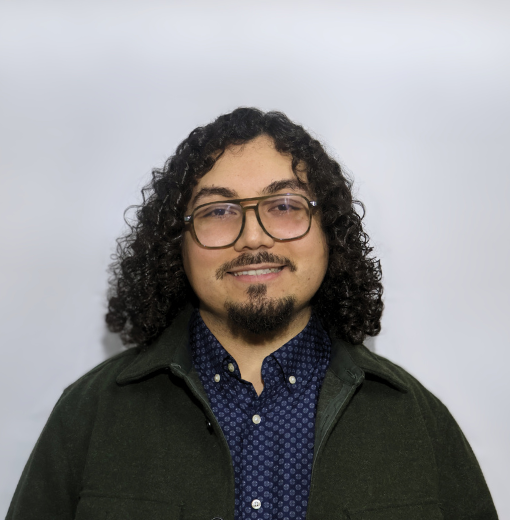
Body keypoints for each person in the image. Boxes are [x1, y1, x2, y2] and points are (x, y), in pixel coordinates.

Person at [7, 108, 497, 520]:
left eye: (284, 205)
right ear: (176, 245)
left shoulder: (417, 419)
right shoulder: (89, 414)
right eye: (218, 211)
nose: (254, 237)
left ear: (329, 230)